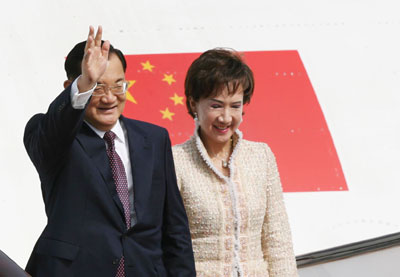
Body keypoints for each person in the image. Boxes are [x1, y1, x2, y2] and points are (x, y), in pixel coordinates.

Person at [24, 26, 195, 277]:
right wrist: (85, 83)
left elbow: (175, 228)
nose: (109, 98)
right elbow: (53, 132)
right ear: (71, 86)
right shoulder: (52, 135)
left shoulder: (154, 138)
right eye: (98, 87)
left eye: (118, 86)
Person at [172, 48, 298, 276]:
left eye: (235, 105)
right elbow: (166, 243)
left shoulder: (261, 156)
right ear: (193, 104)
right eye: (216, 105)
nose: (226, 117)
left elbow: (277, 239)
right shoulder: (175, 161)